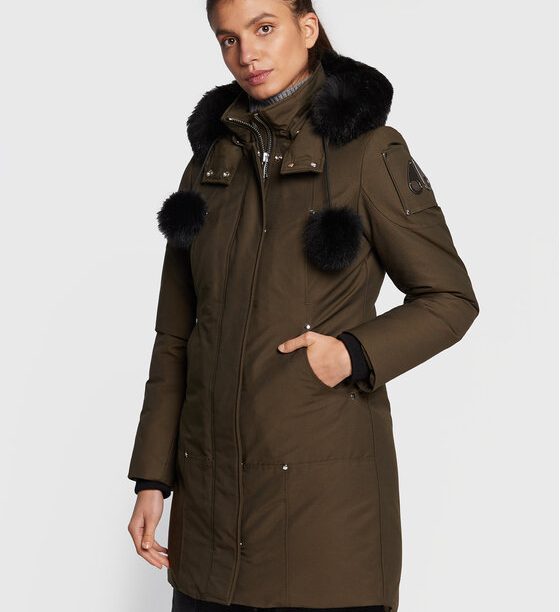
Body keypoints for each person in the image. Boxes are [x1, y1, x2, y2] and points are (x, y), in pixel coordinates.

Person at [127, 1, 480, 611]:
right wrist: (153, 478)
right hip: (208, 518)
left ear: (307, 28)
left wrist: (353, 353)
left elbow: (449, 297)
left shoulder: (369, 152)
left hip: (324, 518)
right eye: (228, 38)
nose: (247, 53)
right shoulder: (209, 166)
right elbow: (176, 334)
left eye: (264, 28)